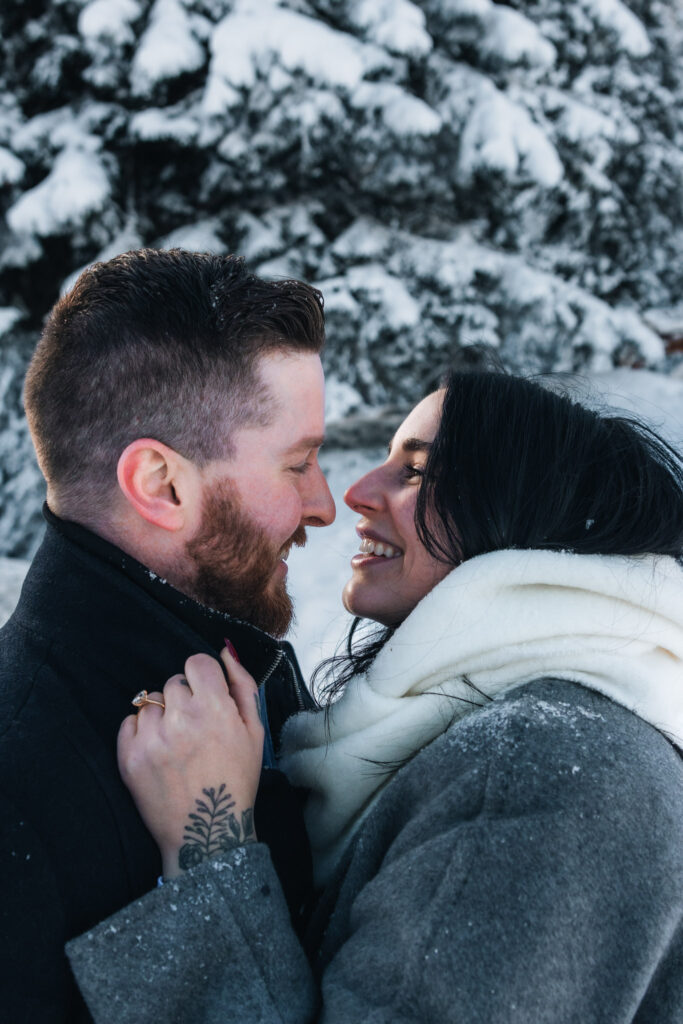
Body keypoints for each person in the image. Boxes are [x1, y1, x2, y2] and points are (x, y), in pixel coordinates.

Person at [68, 370, 683, 1023]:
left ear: (521, 506)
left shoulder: (540, 767)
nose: (356, 493)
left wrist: (207, 846)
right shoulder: (543, 738)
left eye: (416, 472)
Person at [0, 248, 336, 1021]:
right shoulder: (18, 784)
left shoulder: (239, 658)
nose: (324, 503)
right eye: (298, 464)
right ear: (161, 485)